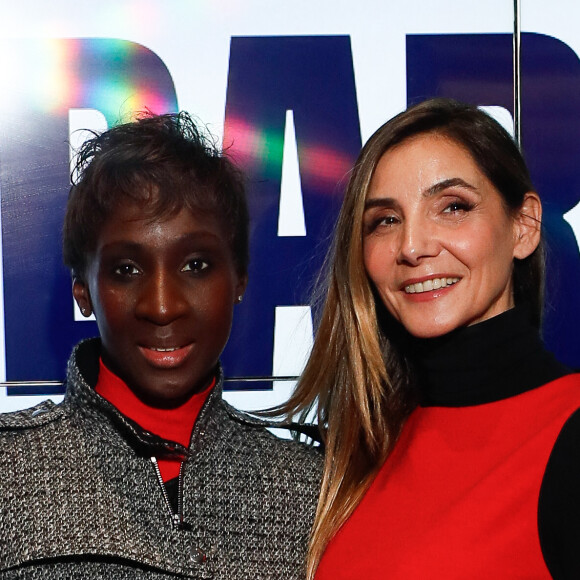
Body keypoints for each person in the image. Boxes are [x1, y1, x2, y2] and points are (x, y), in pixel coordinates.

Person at [0, 112, 321, 579]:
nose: (163, 306)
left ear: (240, 280)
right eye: (126, 269)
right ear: (82, 292)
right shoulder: (10, 472)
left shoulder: (308, 491)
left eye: (195, 265)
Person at [281, 98, 580, 579]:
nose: (413, 247)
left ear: (523, 226)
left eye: (453, 207)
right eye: (385, 220)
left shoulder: (569, 433)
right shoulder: (359, 452)